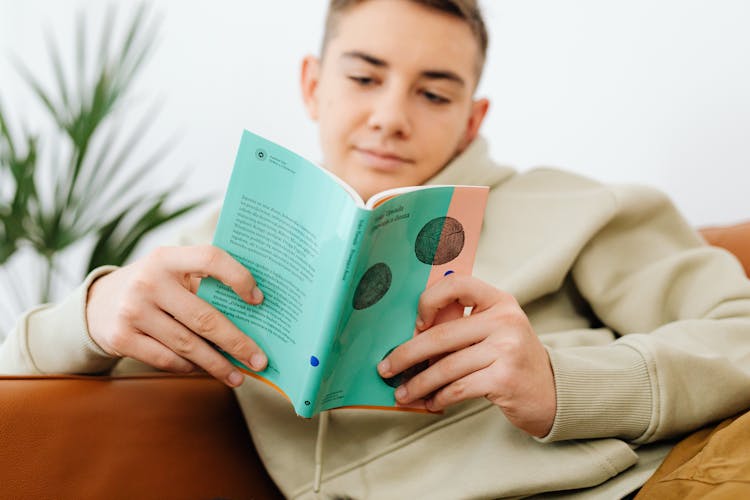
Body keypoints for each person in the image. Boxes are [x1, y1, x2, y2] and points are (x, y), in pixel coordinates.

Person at [3, 0, 750, 497]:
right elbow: (21, 379)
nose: (391, 117)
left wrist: (562, 384)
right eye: (364, 77)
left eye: (433, 93)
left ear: (470, 115)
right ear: (313, 85)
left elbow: (740, 331)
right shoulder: (216, 252)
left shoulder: (580, 204)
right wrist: (97, 309)